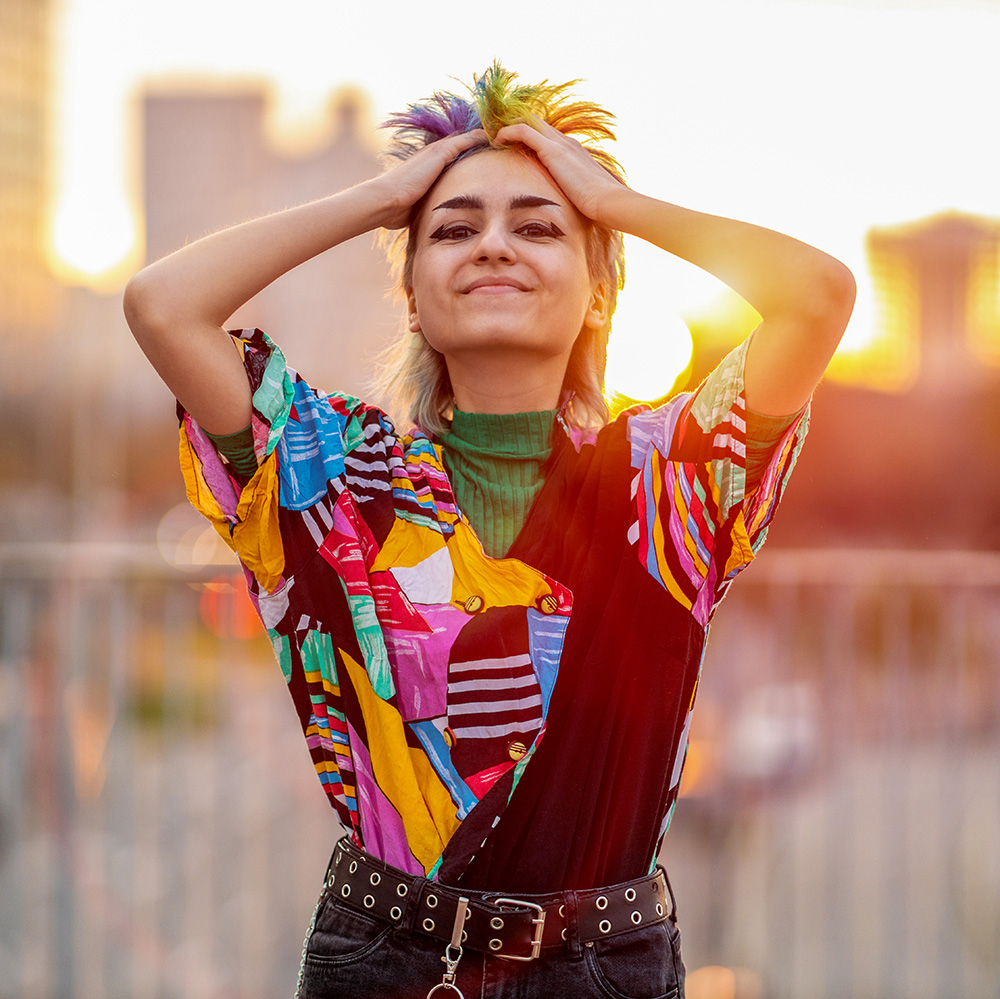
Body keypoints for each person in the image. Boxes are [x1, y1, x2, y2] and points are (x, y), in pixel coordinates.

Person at [124, 63, 855, 999]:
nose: (495, 246)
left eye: (540, 227)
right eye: (455, 229)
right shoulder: (332, 475)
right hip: (387, 959)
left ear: (600, 295)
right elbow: (163, 304)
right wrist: (386, 193)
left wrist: (608, 201)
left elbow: (817, 294)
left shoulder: (670, 478)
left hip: (605, 967)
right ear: (417, 299)